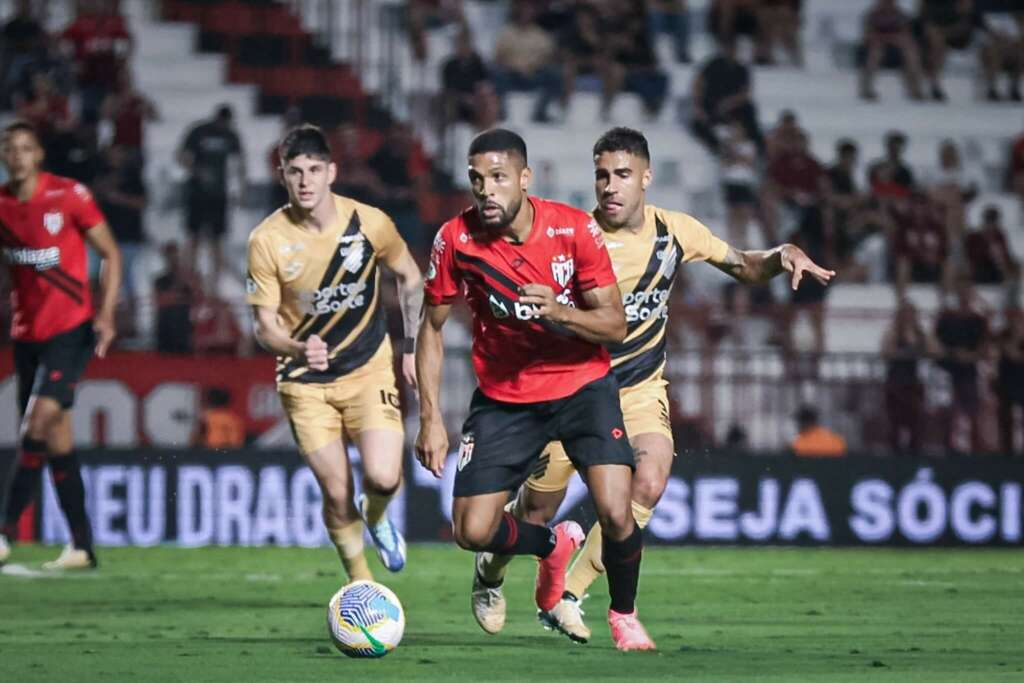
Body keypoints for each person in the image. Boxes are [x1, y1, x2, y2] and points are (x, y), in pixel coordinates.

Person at [470, 127, 834, 644]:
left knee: (650, 479)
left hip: (639, 390)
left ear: (646, 177)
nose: (610, 187)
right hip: (571, 391)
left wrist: (783, 254)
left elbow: (743, 265)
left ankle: (570, 597)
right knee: (535, 512)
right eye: (601, 175)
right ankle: (489, 572)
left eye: (621, 175)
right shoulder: (572, 239)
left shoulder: (675, 231)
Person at [416, 128, 657, 651]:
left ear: (525, 179)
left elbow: (614, 325)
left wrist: (559, 312)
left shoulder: (573, 231)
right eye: (477, 180)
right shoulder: (454, 239)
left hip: (583, 388)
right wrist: (430, 418)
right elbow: (430, 329)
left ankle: (624, 616)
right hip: (505, 399)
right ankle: (550, 543)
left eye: (499, 178)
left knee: (617, 511)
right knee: (471, 531)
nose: (486, 191)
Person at [246, 124, 423, 582]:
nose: (305, 181)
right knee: (337, 492)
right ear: (282, 176)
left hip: (368, 370)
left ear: (332, 172)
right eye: (295, 171)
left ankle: (378, 515)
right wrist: (297, 346)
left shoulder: (368, 223)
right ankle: (360, 585)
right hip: (305, 383)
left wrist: (411, 347)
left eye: (314, 170)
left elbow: (410, 276)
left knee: (384, 478)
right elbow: (264, 327)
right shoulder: (267, 240)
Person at [0, 120, 122, 570]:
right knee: (56, 440)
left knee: (36, 423)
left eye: (25, 148)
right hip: (26, 336)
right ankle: (82, 546)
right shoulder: (2, 206)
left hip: (70, 330)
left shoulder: (68, 195)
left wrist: (106, 314)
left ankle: (4, 531)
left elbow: (111, 252)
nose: (17, 155)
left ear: (38, 156)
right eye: (9, 148)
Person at [177, 104, 246, 288]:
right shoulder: (199, 131)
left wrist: (241, 188)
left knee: (217, 240)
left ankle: (213, 285)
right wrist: (197, 171)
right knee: (194, 238)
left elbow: (240, 162)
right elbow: (181, 156)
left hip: (219, 194)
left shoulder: (231, 136)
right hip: (197, 192)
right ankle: (191, 282)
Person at [858, 0, 925, 101]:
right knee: (874, 53)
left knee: (911, 54)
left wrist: (891, 38)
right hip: (877, 49)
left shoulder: (901, 16)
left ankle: (915, 90)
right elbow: (868, 36)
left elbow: (906, 35)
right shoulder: (872, 16)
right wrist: (887, 38)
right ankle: (867, 89)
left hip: (898, 51)